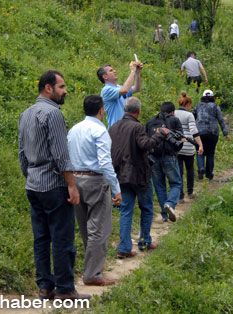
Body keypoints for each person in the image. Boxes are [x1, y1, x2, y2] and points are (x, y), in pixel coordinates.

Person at [18, 70, 90, 301]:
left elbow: (22, 153)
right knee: (62, 237)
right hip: (54, 185)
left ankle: (45, 287)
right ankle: (65, 289)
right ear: (48, 88)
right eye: (61, 87)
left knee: (41, 237)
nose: (65, 91)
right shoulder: (53, 114)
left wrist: (29, 177)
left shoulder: (26, 114)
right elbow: (60, 154)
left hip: (33, 185)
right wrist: (71, 185)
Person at [67, 95, 122, 286]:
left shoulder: (74, 129)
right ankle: (93, 274)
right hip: (95, 180)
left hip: (75, 179)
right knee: (99, 228)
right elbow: (105, 162)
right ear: (101, 110)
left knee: (84, 226)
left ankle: (93, 265)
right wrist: (116, 188)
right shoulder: (100, 130)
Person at [109, 97, 168, 258]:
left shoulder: (113, 127)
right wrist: (160, 135)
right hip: (139, 176)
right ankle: (144, 241)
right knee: (147, 208)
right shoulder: (137, 127)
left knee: (126, 211)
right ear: (138, 111)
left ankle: (124, 247)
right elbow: (145, 145)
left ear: (124, 109)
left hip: (120, 175)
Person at [146, 102, 185, 223]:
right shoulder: (174, 120)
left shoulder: (151, 122)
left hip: (153, 157)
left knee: (159, 186)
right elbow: (181, 138)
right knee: (176, 183)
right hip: (169, 157)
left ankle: (164, 215)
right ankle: (170, 204)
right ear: (172, 112)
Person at [193, 89, 231, 181]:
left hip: (199, 132)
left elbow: (192, 118)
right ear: (212, 97)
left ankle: (201, 168)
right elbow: (221, 120)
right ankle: (209, 174)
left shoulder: (198, 106)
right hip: (212, 132)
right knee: (210, 153)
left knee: (199, 151)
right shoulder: (215, 106)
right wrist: (226, 133)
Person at [174, 91, 204, 203]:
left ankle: (180, 196)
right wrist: (200, 145)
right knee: (190, 169)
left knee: (179, 171)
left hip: (176, 145)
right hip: (188, 146)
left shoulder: (174, 113)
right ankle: (190, 192)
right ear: (188, 105)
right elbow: (193, 131)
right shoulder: (189, 115)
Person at [97, 60, 143, 128]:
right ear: (105, 77)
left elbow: (137, 88)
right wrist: (132, 71)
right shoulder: (106, 90)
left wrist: (137, 73)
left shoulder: (119, 87)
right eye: (111, 70)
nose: (114, 71)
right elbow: (125, 90)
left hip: (126, 127)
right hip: (116, 129)